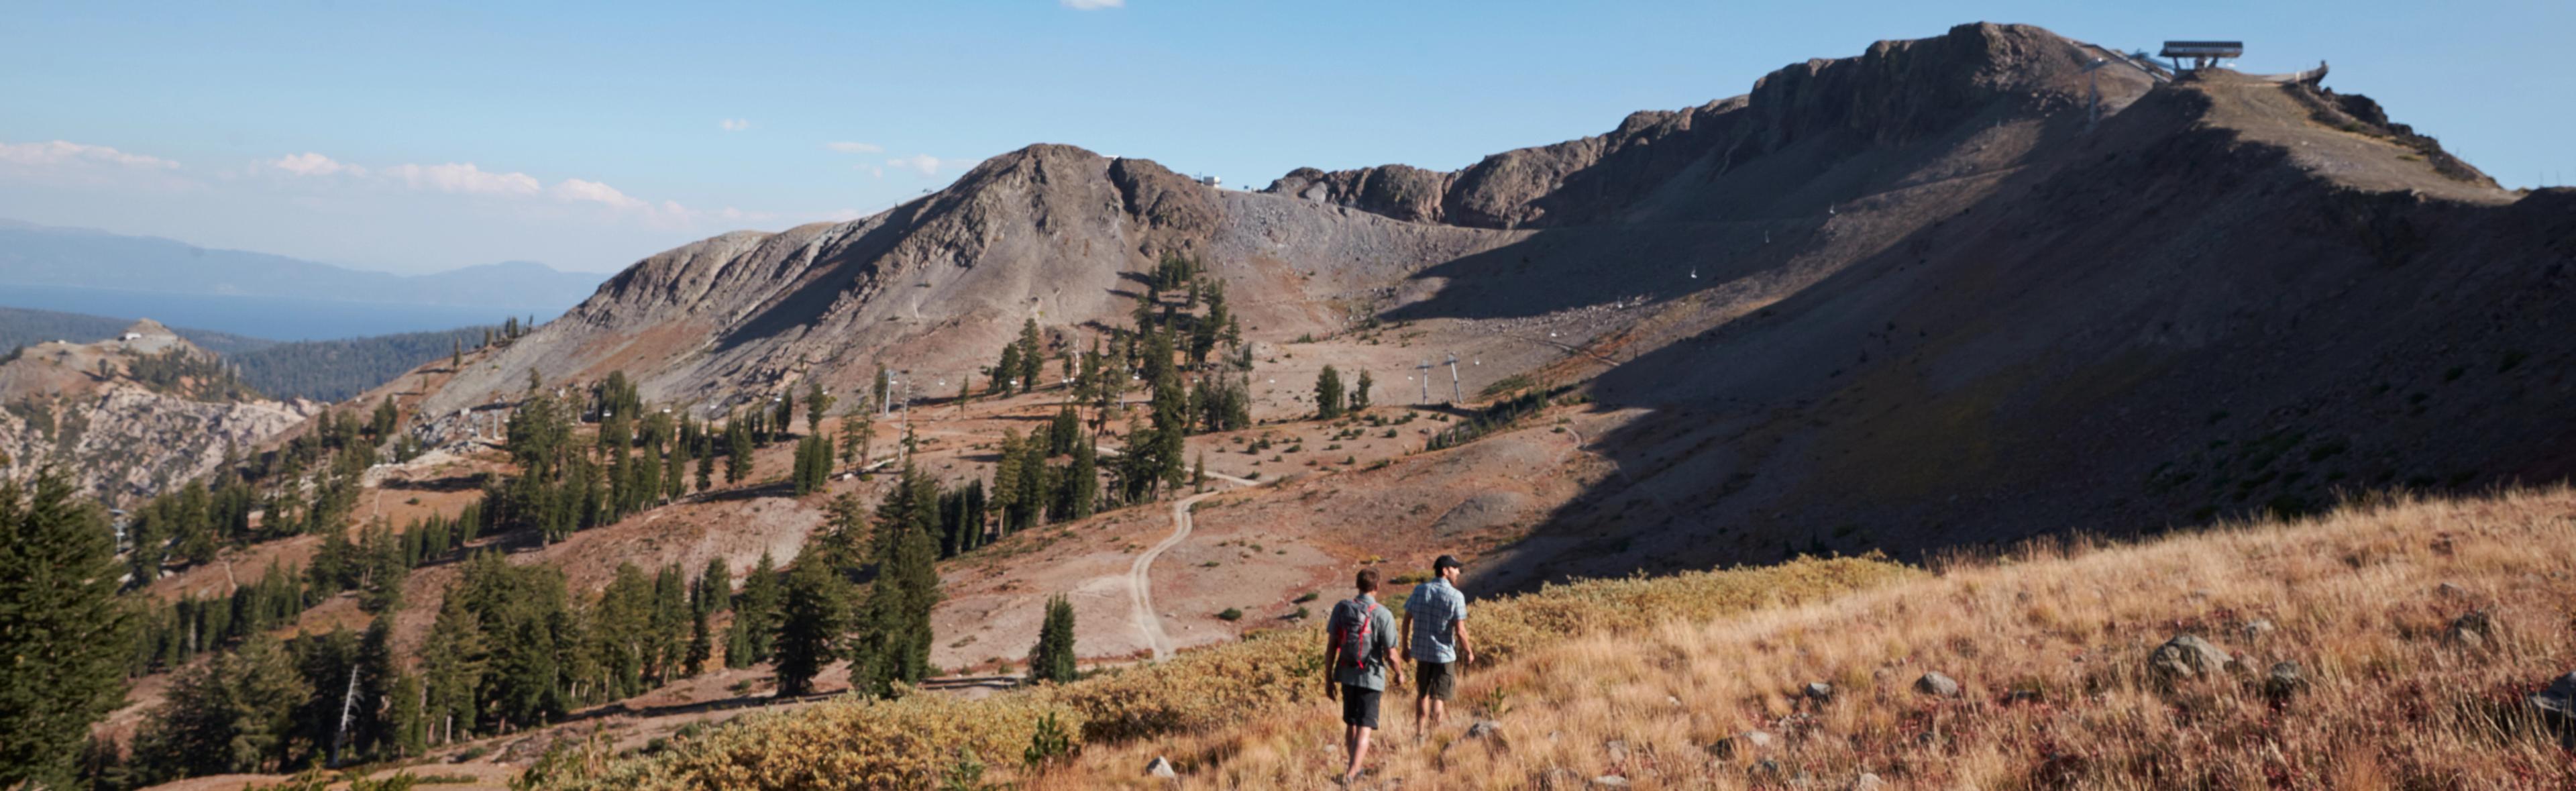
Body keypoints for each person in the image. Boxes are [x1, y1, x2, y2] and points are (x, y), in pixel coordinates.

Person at [1324, 568, 1402, 786]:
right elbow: (1391, 653)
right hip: (1372, 677)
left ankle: (1354, 768)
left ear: (1357, 585)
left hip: (1346, 674)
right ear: (1377, 587)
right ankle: (1351, 774)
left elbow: (1331, 647)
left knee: (1352, 724)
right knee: (1365, 726)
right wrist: (1399, 673)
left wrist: (1329, 678)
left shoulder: (1342, 609)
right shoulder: (1383, 614)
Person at [1401, 554, 1473, 739]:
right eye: (1455, 568)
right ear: (1445, 571)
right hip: (1444, 654)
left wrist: (1405, 647)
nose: (1458, 572)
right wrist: (1469, 652)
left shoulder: (1419, 590)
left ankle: (1419, 733)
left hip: (1422, 652)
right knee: (1439, 696)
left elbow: (1407, 619)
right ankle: (1436, 735)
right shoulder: (1456, 596)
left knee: (1422, 694)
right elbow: (1460, 631)